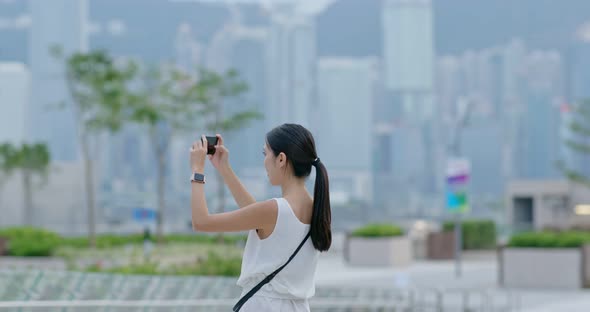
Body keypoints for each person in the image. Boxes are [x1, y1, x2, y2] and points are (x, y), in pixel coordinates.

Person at [189, 123, 332, 311]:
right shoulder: (317, 209)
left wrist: (197, 170)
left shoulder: (274, 210)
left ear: (281, 159)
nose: (264, 162)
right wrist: (224, 168)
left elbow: (201, 222)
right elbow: (257, 216)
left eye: (266, 154)